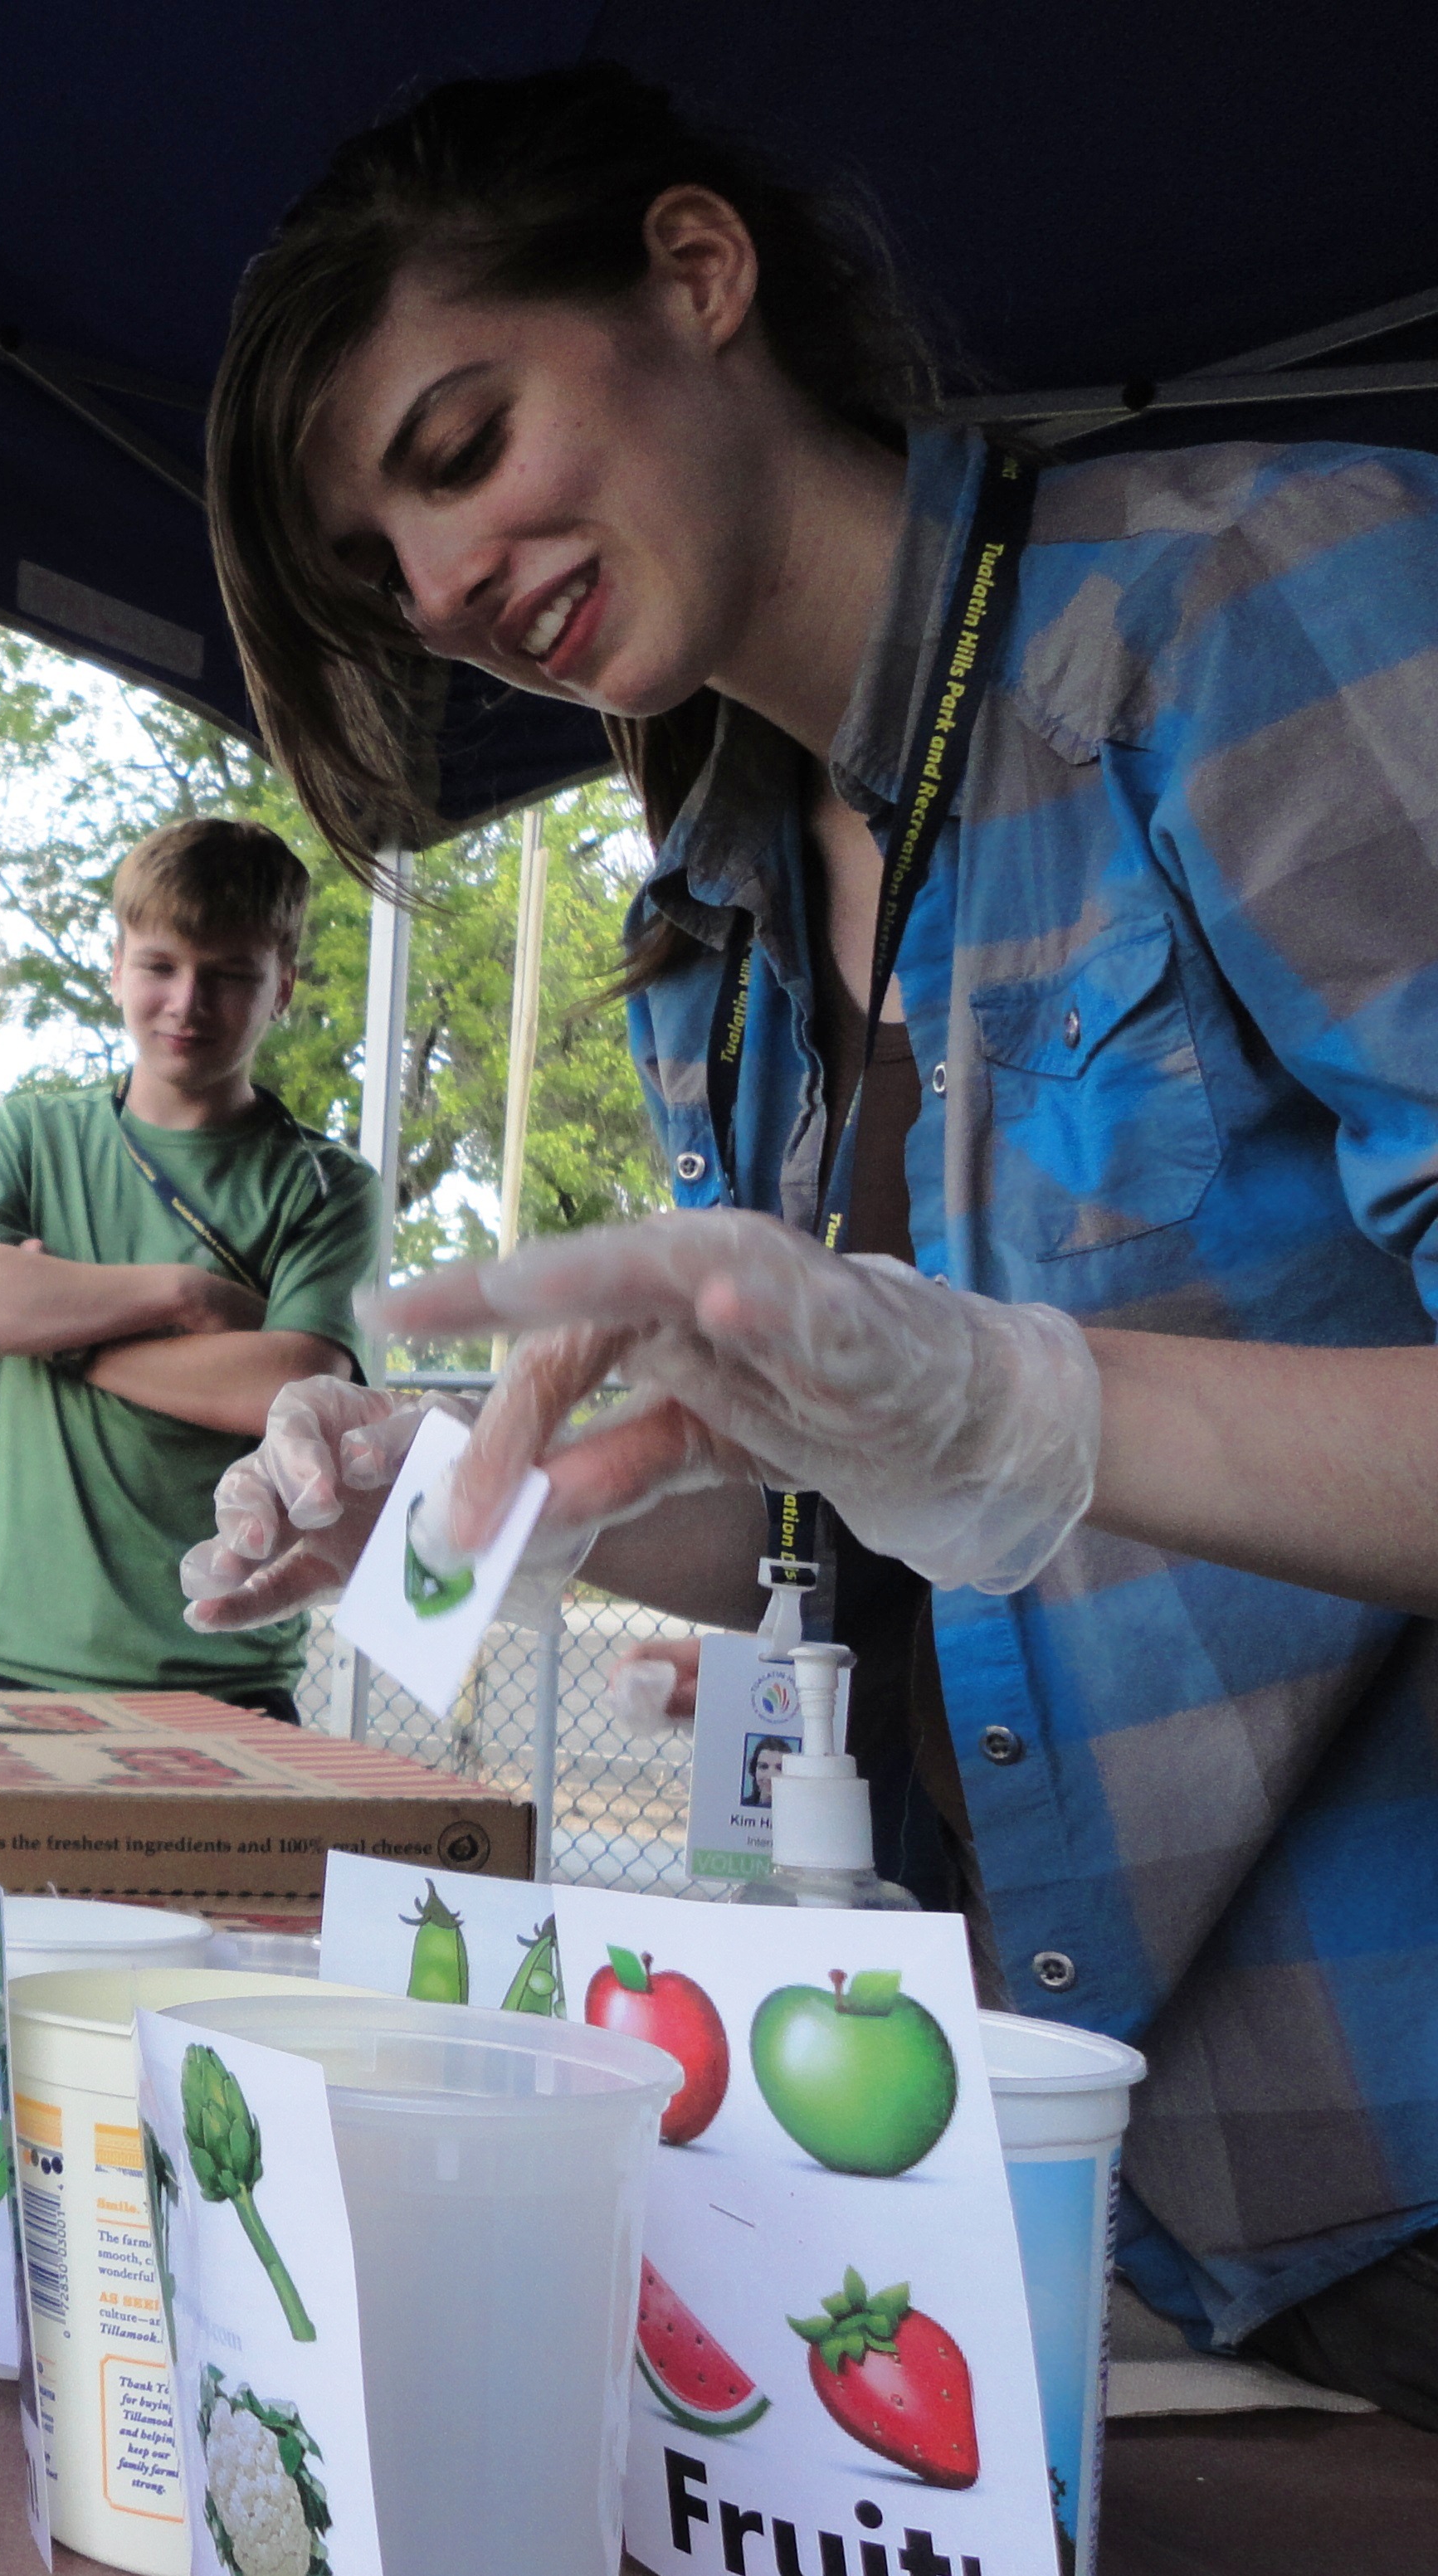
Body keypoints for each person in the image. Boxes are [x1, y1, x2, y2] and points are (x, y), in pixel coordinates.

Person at [183, 62, 1438, 2417]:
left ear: (695, 275)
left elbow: (995, 1434)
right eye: (385, 571)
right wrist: (473, 1494)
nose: (449, 591)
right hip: (1078, 2172)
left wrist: (1038, 1403)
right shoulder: (712, 927)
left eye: (458, 448)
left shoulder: (1248, 602)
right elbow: (840, 1491)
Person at [0, 816, 375, 1719]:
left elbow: (289, 1382)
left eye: (230, 975)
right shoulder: (31, 1140)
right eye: (161, 965)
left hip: (222, 1676)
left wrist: (65, 1338)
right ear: (115, 964)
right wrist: (186, 1295)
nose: (187, 1003)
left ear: (284, 985)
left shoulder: (327, 1186)